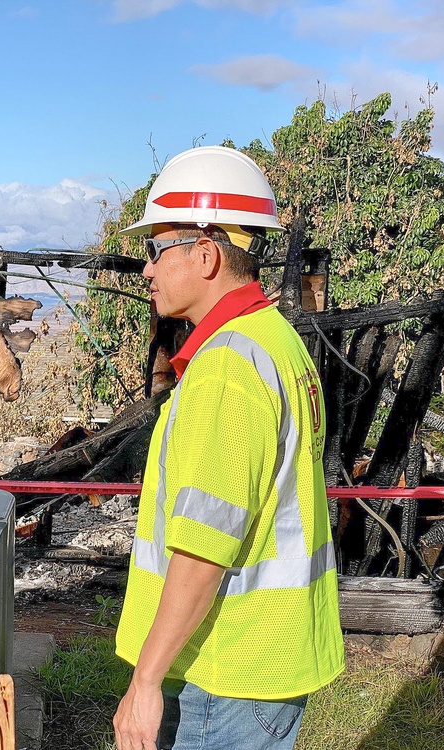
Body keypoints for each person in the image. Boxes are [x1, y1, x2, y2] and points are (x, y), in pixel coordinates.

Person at [111, 146, 344, 750]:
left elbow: (203, 546)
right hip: (263, 664)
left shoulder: (227, 369)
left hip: (224, 672)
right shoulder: (276, 340)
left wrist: (145, 680)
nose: (147, 270)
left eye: (157, 249)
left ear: (207, 254)